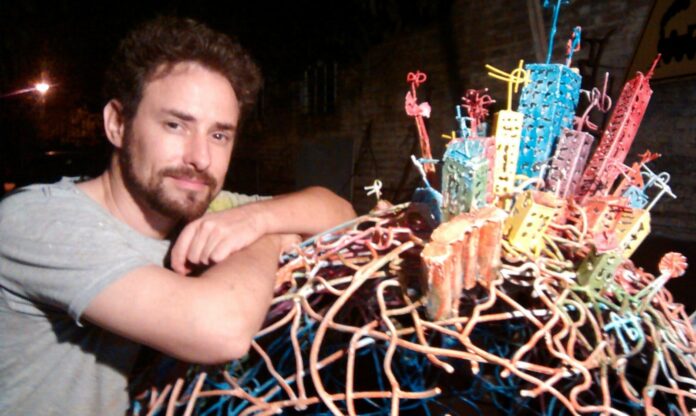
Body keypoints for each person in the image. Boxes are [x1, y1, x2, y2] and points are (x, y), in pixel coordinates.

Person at [0, 16, 355, 415]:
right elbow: (221, 330)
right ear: (117, 124)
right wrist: (269, 237)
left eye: (219, 135)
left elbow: (340, 212)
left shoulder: (198, 207)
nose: (200, 158)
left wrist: (258, 219)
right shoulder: (37, 220)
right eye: (175, 125)